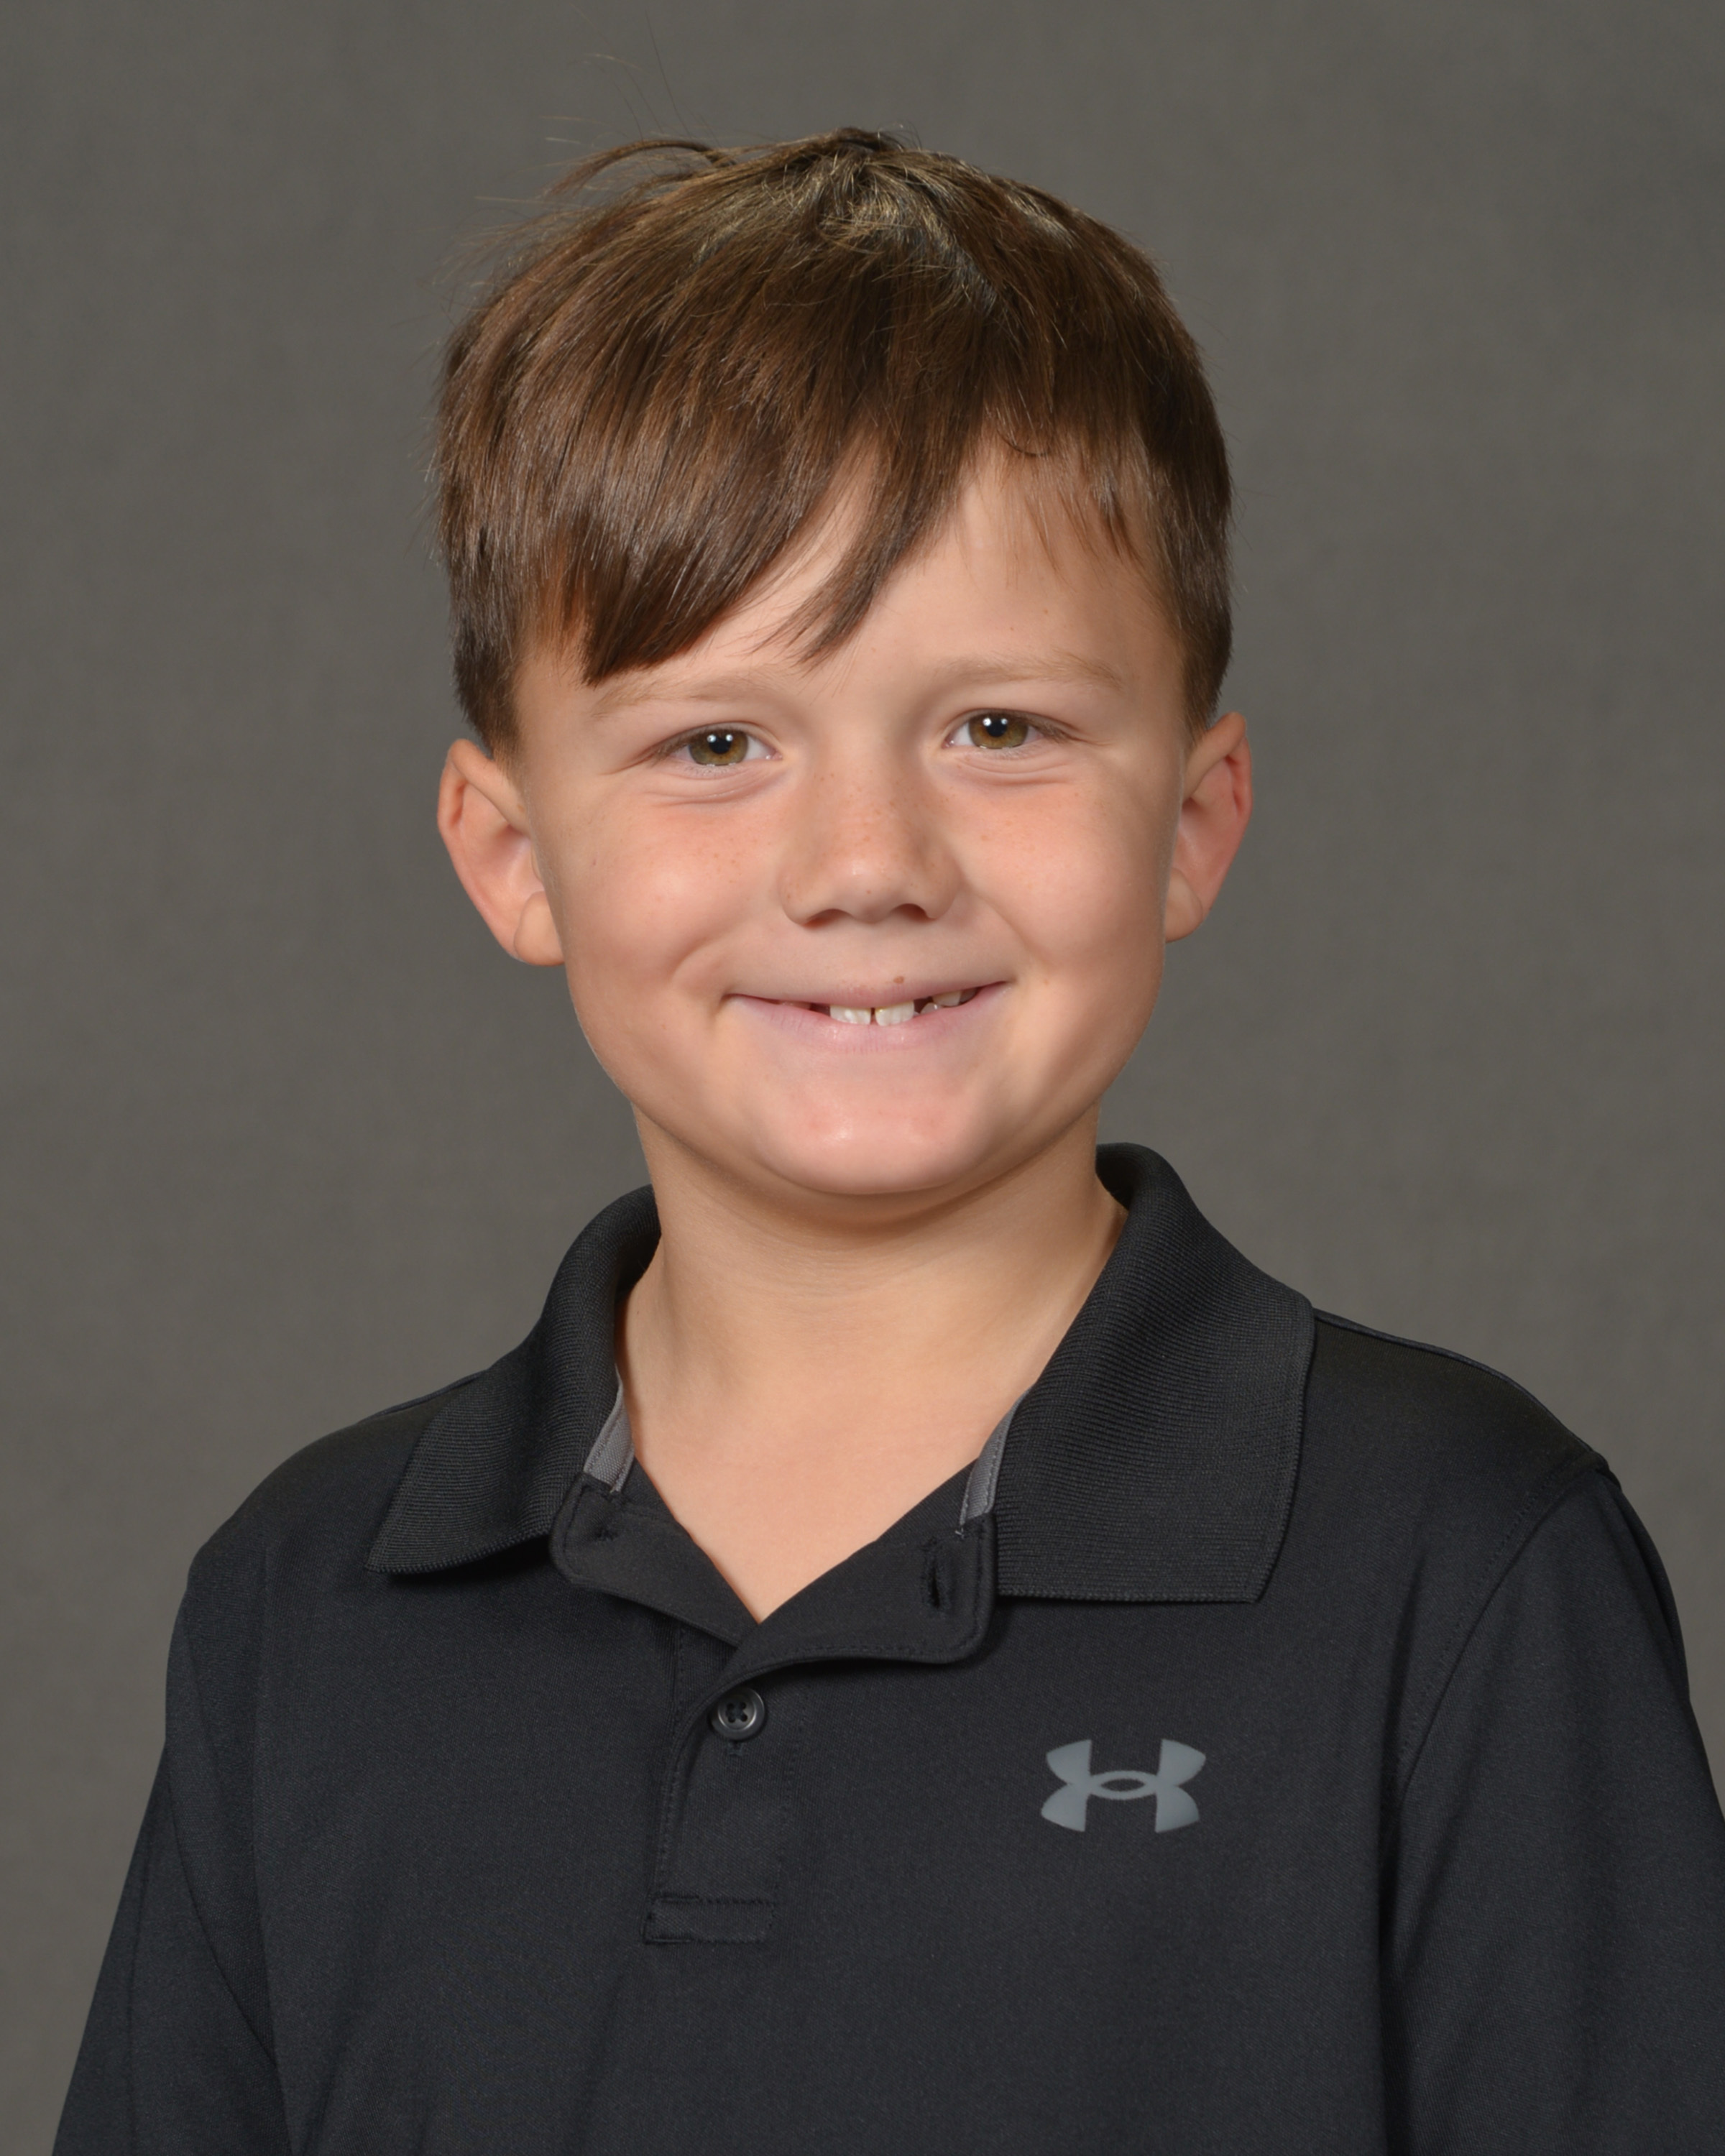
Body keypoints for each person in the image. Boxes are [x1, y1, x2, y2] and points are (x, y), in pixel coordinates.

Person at [55, 129, 1725, 2155]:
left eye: (999, 728)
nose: (867, 863)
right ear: (512, 855)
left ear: (1195, 821)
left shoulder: (1459, 1564)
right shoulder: (309, 1605)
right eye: (716, 743)